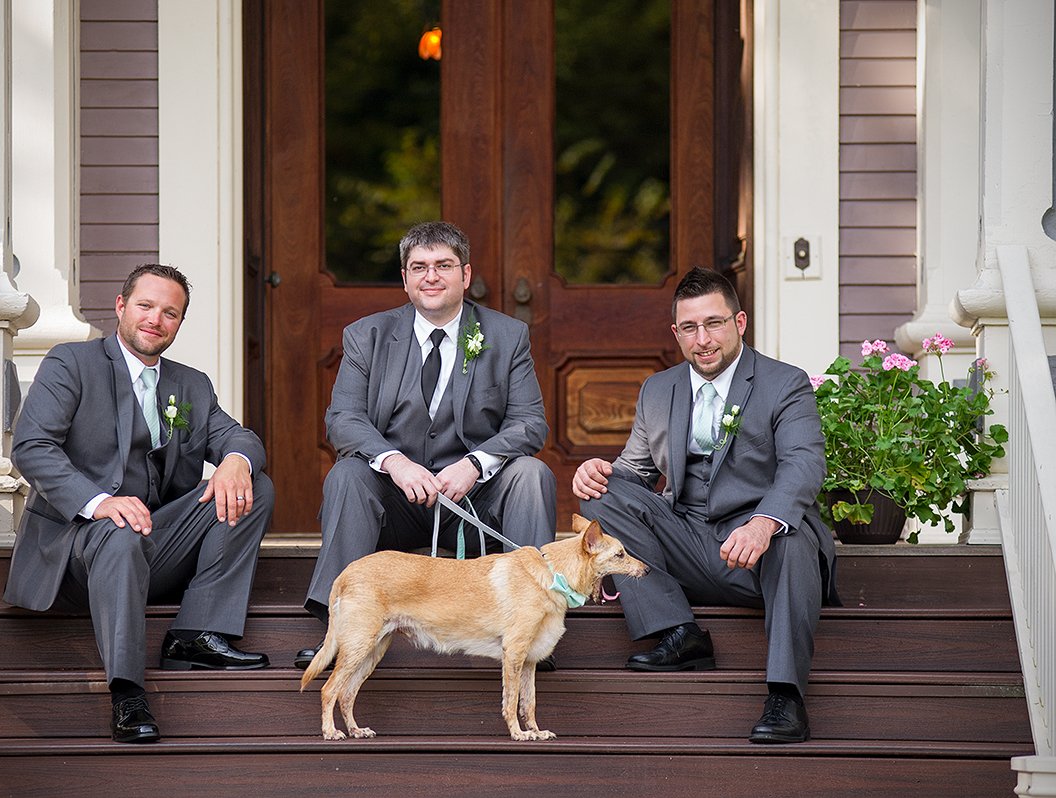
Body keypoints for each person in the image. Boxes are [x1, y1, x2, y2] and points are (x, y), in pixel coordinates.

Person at [5, 264, 275, 744]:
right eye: (146, 306)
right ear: (121, 306)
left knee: (255, 485)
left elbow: (238, 436)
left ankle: (197, 631)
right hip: (77, 548)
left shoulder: (191, 385)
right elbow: (32, 447)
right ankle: (128, 693)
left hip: (155, 542)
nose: (156, 320)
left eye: (170, 313)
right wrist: (98, 502)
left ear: (179, 323)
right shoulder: (71, 363)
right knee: (122, 531)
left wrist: (235, 458)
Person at [572, 266, 839, 744]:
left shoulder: (784, 383)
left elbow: (804, 464)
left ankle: (786, 696)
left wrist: (763, 523)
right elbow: (636, 473)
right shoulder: (659, 388)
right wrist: (598, 473)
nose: (703, 339)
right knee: (604, 496)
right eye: (690, 328)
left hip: (761, 555)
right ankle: (679, 632)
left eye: (714, 323)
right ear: (677, 333)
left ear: (739, 323)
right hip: (690, 541)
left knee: (794, 535)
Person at [295, 221, 557, 669]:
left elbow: (530, 423)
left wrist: (475, 464)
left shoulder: (507, 335)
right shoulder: (367, 335)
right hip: (394, 501)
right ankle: (340, 630)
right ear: (405, 278)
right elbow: (343, 419)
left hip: (471, 506)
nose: (430, 276)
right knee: (348, 474)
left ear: (466, 275)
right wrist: (394, 462)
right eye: (419, 267)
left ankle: (527, 630)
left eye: (443, 266)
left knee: (532, 474)